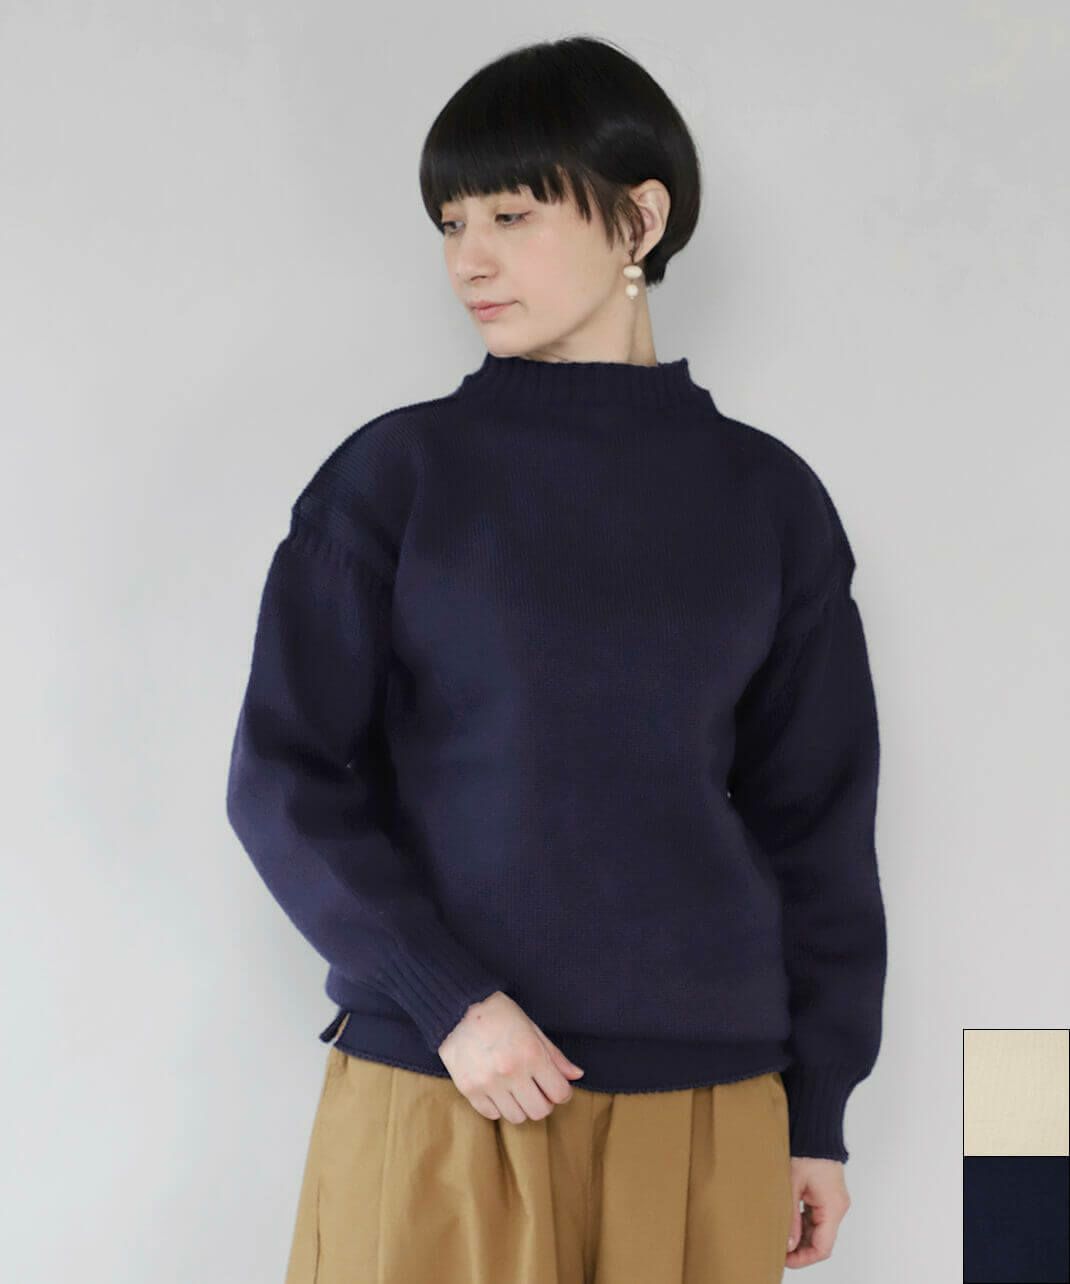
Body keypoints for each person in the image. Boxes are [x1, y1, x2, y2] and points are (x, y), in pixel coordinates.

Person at [225, 33, 887, 1284]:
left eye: (511, 214)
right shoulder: (396, 477)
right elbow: (284, 777)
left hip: (703, 1108)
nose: (467, 258)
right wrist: (449, 1002)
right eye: (450, 221)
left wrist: (817, 1111)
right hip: (447, 1086)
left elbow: (816, 824)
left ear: (639, 218)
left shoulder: (767, 500)